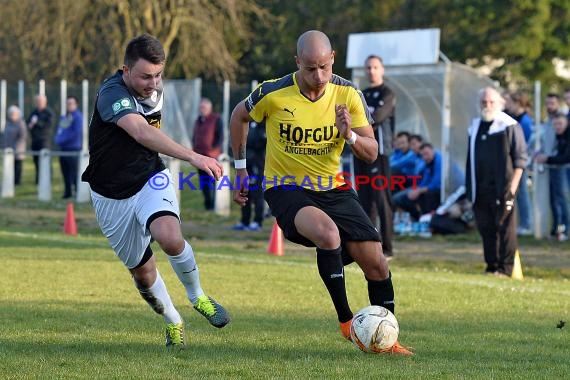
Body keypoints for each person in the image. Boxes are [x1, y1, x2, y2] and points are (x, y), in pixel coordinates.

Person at [229, 30, 413, 356]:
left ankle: (387, 338)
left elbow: (370, 153)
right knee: (328, 234)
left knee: (377, 264)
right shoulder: (273, 92)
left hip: (333, 186)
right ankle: (347, 322)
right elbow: (239, 115)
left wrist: (351, 137)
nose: (318, 76)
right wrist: (241, 169)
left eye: (324, 68)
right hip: (285, 187)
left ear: (332, 60)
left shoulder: (349, 95)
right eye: (310, 68)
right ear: (297, 61)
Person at [81, 34, 230, 349]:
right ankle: (173, 321)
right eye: (146, 76)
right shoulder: (111, 93)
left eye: (158, 75)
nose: (153, 83)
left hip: (150, 176)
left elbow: (150, 138)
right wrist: (193, 156)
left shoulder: (153, 89)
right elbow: (139, 130)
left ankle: (198, 296)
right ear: (126, 71)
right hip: (109, 193)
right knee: (143, 273)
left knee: (170, 236)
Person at [466, 87, 527, 277]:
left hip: (504, 187)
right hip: (480, 188)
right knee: (486, 227)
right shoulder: (475, 126)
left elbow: (520, 159)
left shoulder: (509, 126)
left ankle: (505, 268)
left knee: (505, 228)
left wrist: (513, 186)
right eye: (484, 102)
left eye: (491, 102)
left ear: (500, 103)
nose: (487, 105)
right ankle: (491, 266)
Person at [352, 54, 395, 258]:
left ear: (382, 69)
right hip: (359, 151)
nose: (371, 71)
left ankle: (387, 247)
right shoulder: (362, 94)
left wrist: (359, 120)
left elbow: (377, 117)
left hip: (379, 153)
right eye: (368, 67)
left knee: (381, 199)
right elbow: (351, 117)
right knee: (364, 199)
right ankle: (370, 244)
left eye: (375, 67)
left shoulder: (388, 94)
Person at [535, 113, 570, 241]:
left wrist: (548, 159)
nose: (558, 127)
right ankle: (556, 229)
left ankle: (566, 229)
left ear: (566, 122)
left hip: (563, 169)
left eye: (560, 123)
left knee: (563, 200)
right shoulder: (555, 135)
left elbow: (566, 157)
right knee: (554, 200)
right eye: (555, 124)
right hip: (554, 169)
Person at [504, 91, 533, 235]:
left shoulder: (525, 121)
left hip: (520, 163)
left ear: (518, 103)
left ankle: (527, 224)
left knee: (522, 193)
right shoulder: (514, 118)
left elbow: (524, 144)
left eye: (511, 103)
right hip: (513, 162)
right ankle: (521, 223)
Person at [392, 142, 442, 221]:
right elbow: (424, 181)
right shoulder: (426, 163)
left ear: (433, 150)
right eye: (422, 155)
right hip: (419, 186)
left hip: (440, 190)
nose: (425, 157)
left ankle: (424, 219)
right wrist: (417, 189)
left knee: (424, 195)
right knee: (398, 198)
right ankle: (418, 218)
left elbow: (436, 183)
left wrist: (419, 191)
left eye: (426, 154)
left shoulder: (439, 160)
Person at [232, 120, 267, 231]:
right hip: (246, 163)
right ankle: (245, 221)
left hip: (257, 163)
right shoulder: (246, 121)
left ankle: (257, 221)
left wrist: (248, 140)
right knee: (244, 191)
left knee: (257, 193)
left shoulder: (263, 124)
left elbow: (260, 141)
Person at [191, 98, 224, 211]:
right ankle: (208, 205)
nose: (202, 109)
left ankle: (215, 205)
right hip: (199, 156)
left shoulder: (216, 119)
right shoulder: (198, 120)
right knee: (203, 182)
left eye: (204, 107)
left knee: (213, 181)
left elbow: (220, 137)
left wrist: (214, 150)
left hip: (211, 156)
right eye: (201, 107)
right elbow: (195, 136)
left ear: (210, 108)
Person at [54, 96, 83, 199]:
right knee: (65, 172)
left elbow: (75, 133)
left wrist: (61, 140)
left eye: (71, 103)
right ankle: (67, 193)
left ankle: (77, 192)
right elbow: (60, 130)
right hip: (63, 149)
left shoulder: (78, 117)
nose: (69, 105)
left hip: (73, 149)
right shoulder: (65, 116)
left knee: (74, 172)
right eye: (67, 103)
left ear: (76, 104)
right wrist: (57, 139)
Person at [27, 94, 55, 184]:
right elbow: (28, 122)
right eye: (37, 101)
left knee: (45, 160)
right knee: (36, 160)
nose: (39, 103)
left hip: (44, 140)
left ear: (45, 102)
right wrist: (30, 124)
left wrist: (37, 122)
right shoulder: (34, 112)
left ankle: (48, 179)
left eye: (41, 101)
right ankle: (38, 179)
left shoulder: (49, 112)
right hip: (35, 140)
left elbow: (48, 126)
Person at [3, 105, 27, 186]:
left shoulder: (21, 123)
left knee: (17, 166)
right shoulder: (8, 123)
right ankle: (9, 181)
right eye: (11, 114)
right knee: (9, 166)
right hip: (9, 148)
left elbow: (23, 136)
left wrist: (16, 146)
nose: (12, 116)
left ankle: (17, 182)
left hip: (18, 149)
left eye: (14, 114)